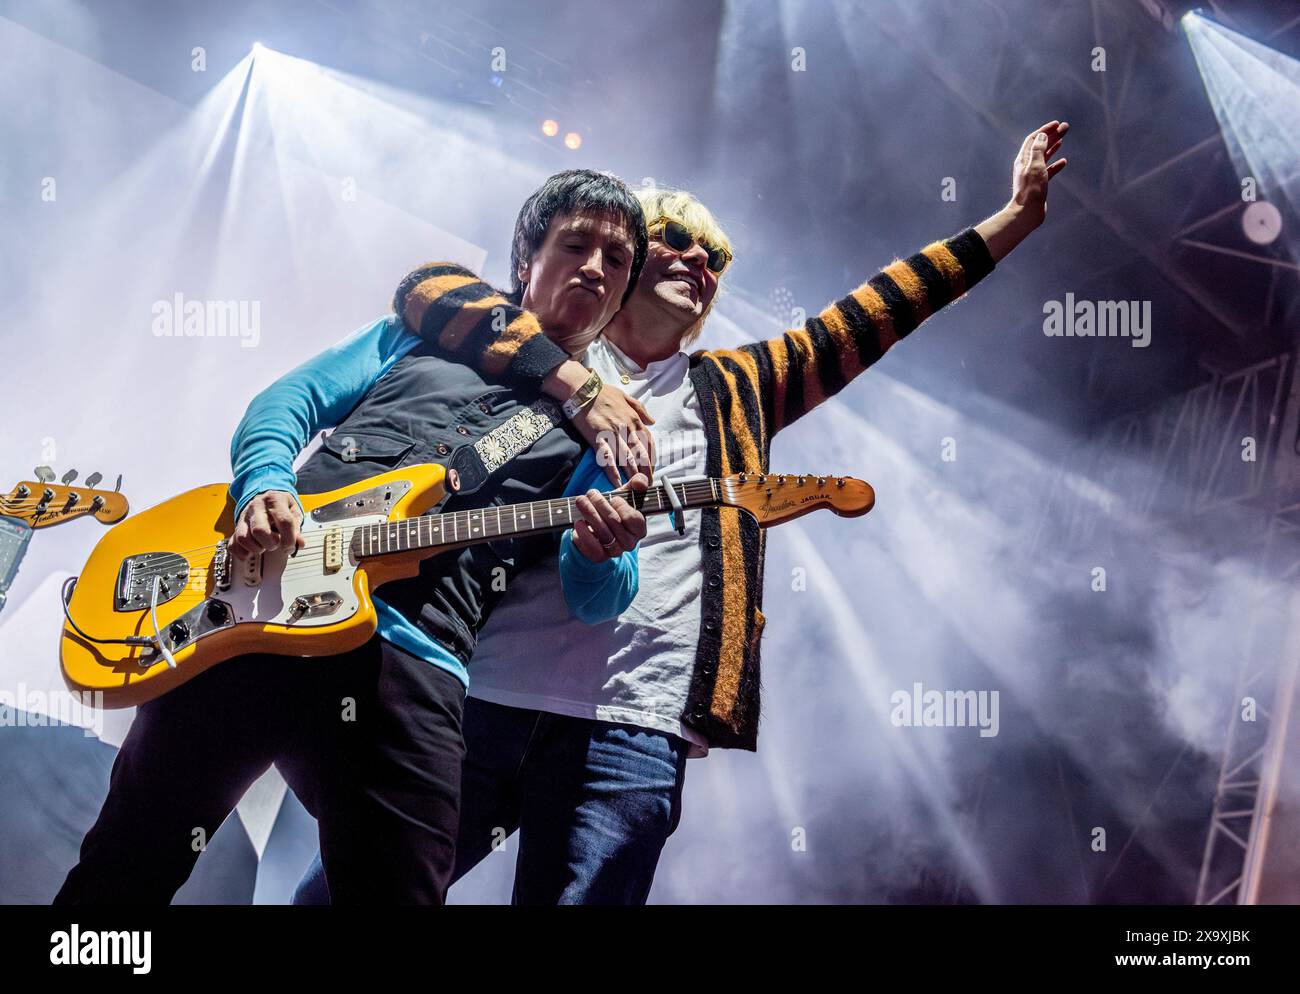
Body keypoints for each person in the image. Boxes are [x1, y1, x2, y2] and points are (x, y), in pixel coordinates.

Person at [294, 121, 1069, 905]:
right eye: (677, 240)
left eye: (717, 259)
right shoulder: (541, 346)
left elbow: (872, 315)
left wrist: (1011, 222)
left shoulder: (741, 386)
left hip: (637, 722)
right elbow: (430, 292)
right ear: (622, 255)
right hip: (481, 692)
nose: (703, 262)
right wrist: (576, 386)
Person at [54, 168, 658, 905]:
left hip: (412, 659)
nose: (595, 267)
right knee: (124, 867)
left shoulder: (615, 434)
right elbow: (289, 400)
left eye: (617, 259)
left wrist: (604, 552)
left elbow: (598, 597)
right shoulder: (428, 332)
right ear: (527, 259)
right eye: (576, 244)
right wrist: (266, 486)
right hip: (254, 606)